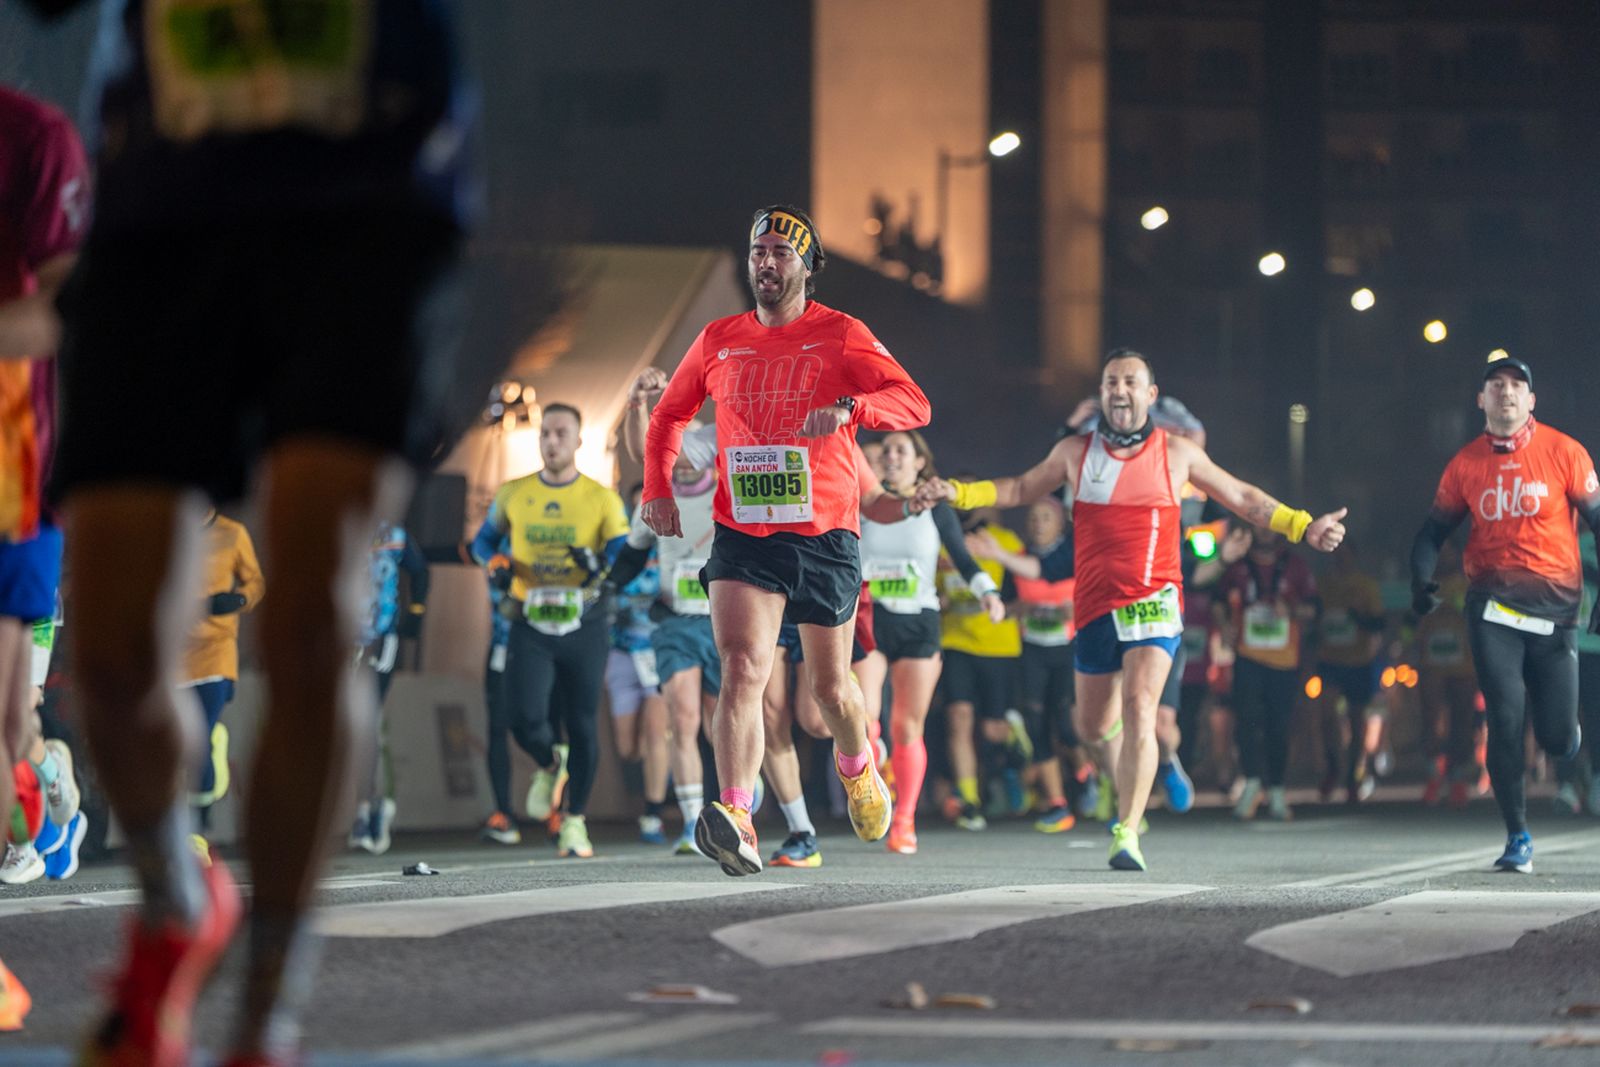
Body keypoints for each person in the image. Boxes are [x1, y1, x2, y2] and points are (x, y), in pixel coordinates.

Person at [35, 1, 481, 1061]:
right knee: (110, 654)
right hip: (163, 213)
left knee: (315, 617)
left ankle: (265, 1012)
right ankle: (177, 902)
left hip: (365, 197)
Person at [917, 348, 1345, 870]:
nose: (1119, 390)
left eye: (1130, 382)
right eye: (1111, 382)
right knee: (1092, 727)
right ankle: (1132, 775)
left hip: (1154, 601)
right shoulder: (1075, 452)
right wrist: (958, 492)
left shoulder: (1177, 453)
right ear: (1102, 394)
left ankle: (1126, 831)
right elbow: (1020, 488)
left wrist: (1303, 525)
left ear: (1150, 395)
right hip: (1095, 606)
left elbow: (1242, 497)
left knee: (1140, 707)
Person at [642, 204, 931, 875]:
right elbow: (669, 415)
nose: (766, 262)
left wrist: (854, 407)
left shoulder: (841, 333)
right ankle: (737, 815)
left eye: (780, 252)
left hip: (824, 534)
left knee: (831, 693)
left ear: (807, 266)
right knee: (743, 668)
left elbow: (914, 402)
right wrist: (658, 488)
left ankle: (858, 765)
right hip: (744, 532)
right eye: (758, 252)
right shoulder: (718, 339)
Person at [1410, 354, 1600, 873]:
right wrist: (1420, 579)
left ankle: (1567, 736)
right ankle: (1517, 835)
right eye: (1496, 384)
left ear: (1531, 400)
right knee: (1505, 717)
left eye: (1517, 385)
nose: (1506, 392)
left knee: (1556, 738)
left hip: (1556, 615)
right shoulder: (1465, 464)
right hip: (1492, 610)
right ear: (1482, 400)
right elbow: (1432, 532)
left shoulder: (1565, 452)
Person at [0, 80, 88, 1033]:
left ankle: (47, 776)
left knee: (7, 727)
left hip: (16, 485)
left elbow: (70, 308)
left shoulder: (31, 138)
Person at [474, 403, 629, 861]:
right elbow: (482, 542)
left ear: (578, 442)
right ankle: (548, 762)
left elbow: (623, 553)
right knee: (522, 718)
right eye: (546, 433)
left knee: (581, 723)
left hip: (585, 621)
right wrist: (496, 562)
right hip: (531, 620)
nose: (552, 441)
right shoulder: (514, 493)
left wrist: (599, 563)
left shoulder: (600, 498)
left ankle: (574, 820)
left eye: (562, 433)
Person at [857, 430, 1002, 854]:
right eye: (886, 450)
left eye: (901, 450)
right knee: (863, 718)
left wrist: (988, 592)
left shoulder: (934, 508)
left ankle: (904, 820)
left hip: (919, 621)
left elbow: (962, 556)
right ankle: (876, 760)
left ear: (920, 462)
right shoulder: (866, 502)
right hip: (869, 617)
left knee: (907, 726)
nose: (892, 456)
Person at [1221, 531, 1317, 820]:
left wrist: (1290, 610)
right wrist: (1223, 626)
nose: (1263, 531)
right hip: (1247, 656)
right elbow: (1217, 599)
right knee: (1246, 721)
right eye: (1258, 525)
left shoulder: (1295, 566)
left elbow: (1315, 608)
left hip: (1284, 660)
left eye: (1268, 525)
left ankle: (1276, 788)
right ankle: (1251, 782)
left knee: (1279, 725)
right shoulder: (1238, 565)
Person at [184, 510, 264, 840]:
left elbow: (256, 582)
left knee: (197, 738)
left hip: (216, 650)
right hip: (174, 652)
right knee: (181, 743)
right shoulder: (166, 529)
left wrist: (239, 598)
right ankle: (212, 746)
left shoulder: (232, 533)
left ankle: (198, 830)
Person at [350, 522, 428, 854]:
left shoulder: (393, 533)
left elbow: (420, 570)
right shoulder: (330, 519)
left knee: (368, 722)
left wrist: (415, 612)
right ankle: (366, 805)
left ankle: (368, 808)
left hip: (380, 637)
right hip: (340, 636)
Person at [606, 484, 671, 843]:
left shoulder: (671, 543)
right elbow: (605, 585)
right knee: (629, 748)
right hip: (622, 652)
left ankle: (653, 814)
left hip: (659, 649)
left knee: (656, 733)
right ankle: (662, 769)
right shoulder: (618, 548)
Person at [1311, 545, 1386, 804]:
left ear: (1354, 557)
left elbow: (1379, 623)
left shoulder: (1366, 586)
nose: (1341, 559)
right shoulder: (1323, 585)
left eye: (1345, 555)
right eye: (1337, 555)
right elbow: (1313, 616)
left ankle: (1353, 775)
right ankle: (1333, 766)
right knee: (1326, 713)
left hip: (1358, 662)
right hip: (1330, 661)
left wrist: (1358, 618)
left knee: (1356, 721)